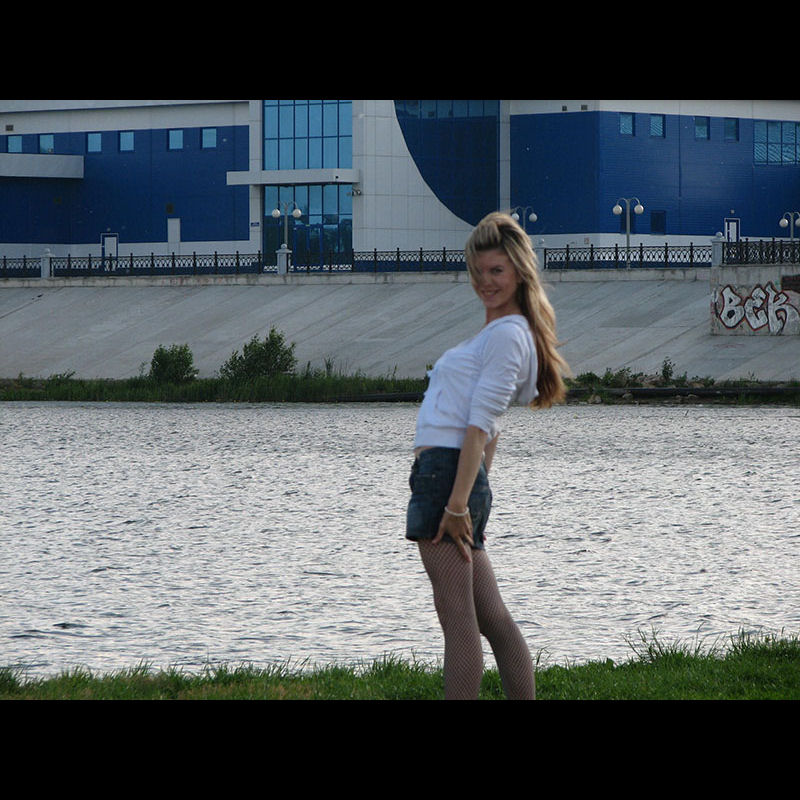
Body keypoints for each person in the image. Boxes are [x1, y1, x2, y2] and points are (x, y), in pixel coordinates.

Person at [405, 211, 568, 700]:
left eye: (497, 270)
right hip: (459, 478)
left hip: (446, 480)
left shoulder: (506, 335)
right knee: (491, 616)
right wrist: (475, 493)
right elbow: (490, 427)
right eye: (478, 272)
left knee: (458, 620)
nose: (485, 282)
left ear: (519, 271)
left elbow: (480, 425)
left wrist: (459, 506)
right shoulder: (505, 333)